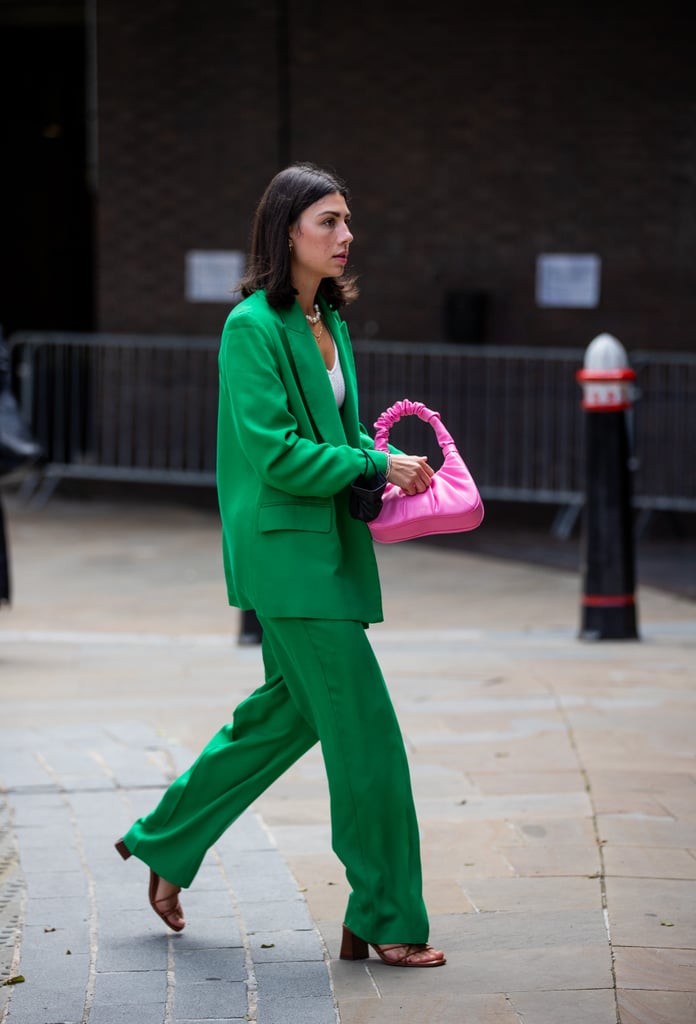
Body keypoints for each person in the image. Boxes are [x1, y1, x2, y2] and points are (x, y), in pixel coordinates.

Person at [115, 162, 446, 968]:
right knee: (366, 733)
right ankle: (387, 912)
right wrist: (372, 468)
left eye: (346, 221)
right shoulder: (251, 328)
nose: (345, 235)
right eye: (328, 221)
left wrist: (379, 454)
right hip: (288, 559)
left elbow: (330, 434)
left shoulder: (323, 316)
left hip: (328, 551)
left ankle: (165, 840)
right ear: (286, 230)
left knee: (283, 717)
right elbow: (274, 454)